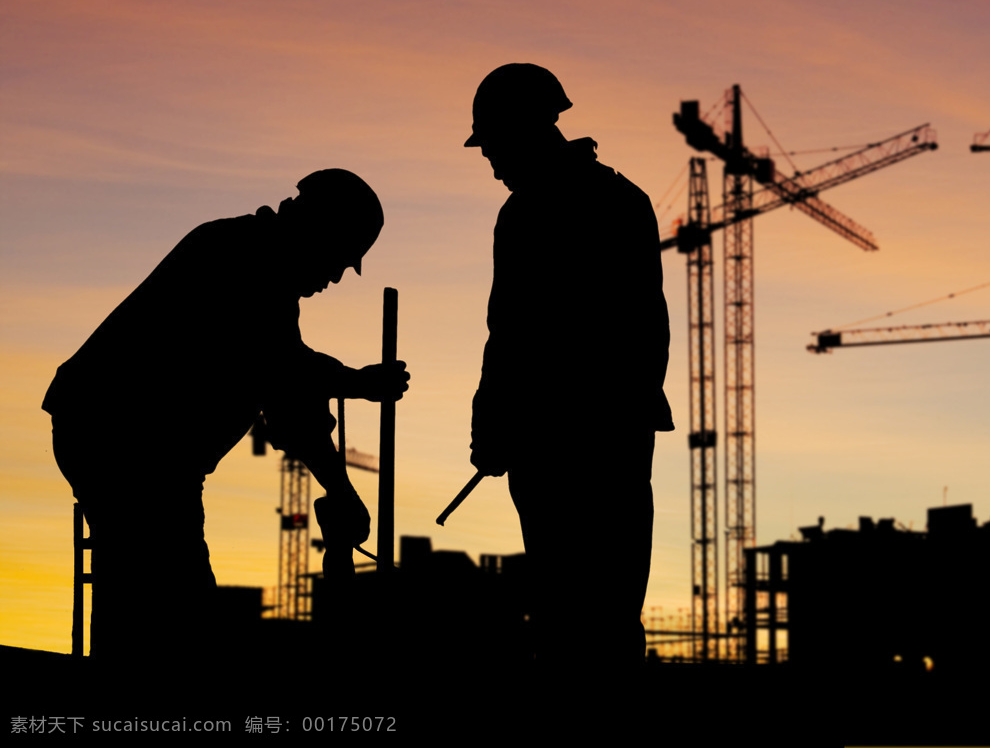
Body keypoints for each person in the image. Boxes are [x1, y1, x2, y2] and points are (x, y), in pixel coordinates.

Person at [43, 168, 409, 663]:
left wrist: (339, 488)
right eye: (339, 258)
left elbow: (292, 408)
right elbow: (283, 367)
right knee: (170, 594)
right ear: (316, 229)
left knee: (151, 588)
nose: (337, 276)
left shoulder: (266, 277)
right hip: (120, 435)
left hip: (149, 450)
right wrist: (356, 383)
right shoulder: (236, 252)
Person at [464, 64, 673, 667]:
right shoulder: (622, 199)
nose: (493, 164)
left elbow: (511, 333)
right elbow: (646, 330)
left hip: (562, 440)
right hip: (612, 433)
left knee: (569, 611)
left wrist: (495, 424)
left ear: (522, 131)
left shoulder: (528, 213)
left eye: (494, 148)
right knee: (606, 608)